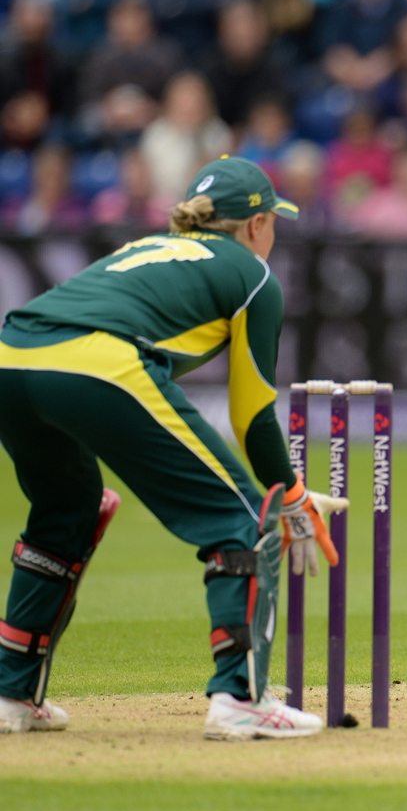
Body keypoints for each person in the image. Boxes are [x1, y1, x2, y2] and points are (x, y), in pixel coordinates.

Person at [0, 156, 347, 739]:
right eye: (273, 222)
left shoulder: (148, 246)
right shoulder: (254, 275)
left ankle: (10, 693)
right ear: (257, 224)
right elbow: (254, 414)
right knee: (243, 520)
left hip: (10, 355)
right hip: (96, 363)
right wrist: (286, 494)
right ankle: (240, 698)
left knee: (66, 510)